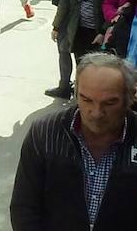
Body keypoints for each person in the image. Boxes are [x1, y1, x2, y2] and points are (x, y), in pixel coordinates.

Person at [10, 53, 137, 230]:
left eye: (109, 103)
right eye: (86, 100)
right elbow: (24, 207)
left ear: (130, 98)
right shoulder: (45, 132)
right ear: (75, 93)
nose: (96, 112)